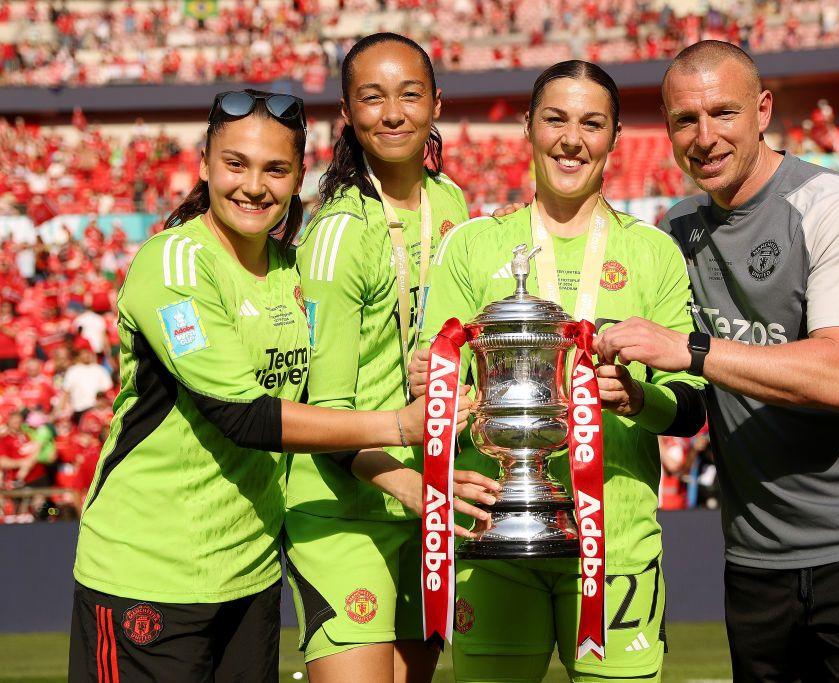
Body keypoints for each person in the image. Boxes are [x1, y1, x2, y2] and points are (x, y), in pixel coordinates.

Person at [68, 89, 467, 683]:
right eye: (236, 163)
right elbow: (245, 417)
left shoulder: (290, 270)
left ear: (299, 176)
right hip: (146, 573)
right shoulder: (175, 265)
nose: (254, 186)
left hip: (250, 577)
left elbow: (327, 385)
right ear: (204, 163)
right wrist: (397, 426)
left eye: (275, 169)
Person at [595, 41, 839, 682]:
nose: (704, 137)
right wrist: (642, 400)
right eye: (684, 121)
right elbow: (695, 401)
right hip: (755, 558)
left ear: (763, 111)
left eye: (723, 113)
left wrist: (692, 350)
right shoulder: (675, 231)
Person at [410, 60, 706, 683]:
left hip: (615, 545)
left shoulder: (653, 253)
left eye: (591, 123)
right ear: (528, 127)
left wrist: (634, 398)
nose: (573, 138)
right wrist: (439, 389)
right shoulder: (472, 246)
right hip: (494, 535)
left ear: (614, 137)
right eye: (556, 119)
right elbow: (437, 388)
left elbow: (691, 405)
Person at [285, 33, 499, 683]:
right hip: (348, 502)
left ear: (437, 103)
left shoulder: (455, 205)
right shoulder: (338, 232)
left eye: (410, 94)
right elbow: (321, 412)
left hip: (429, 491)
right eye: (372, 98)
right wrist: (415, 487)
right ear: (347, 115)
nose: (394, 113)